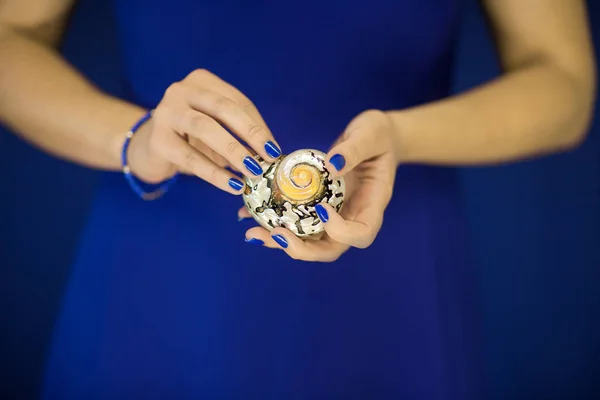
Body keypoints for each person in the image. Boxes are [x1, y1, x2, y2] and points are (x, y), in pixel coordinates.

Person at [0, 0, 595, 398]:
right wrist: (132, 140)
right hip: (158, 273)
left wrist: (404, 136)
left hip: (390, 261)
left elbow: (563, 82)